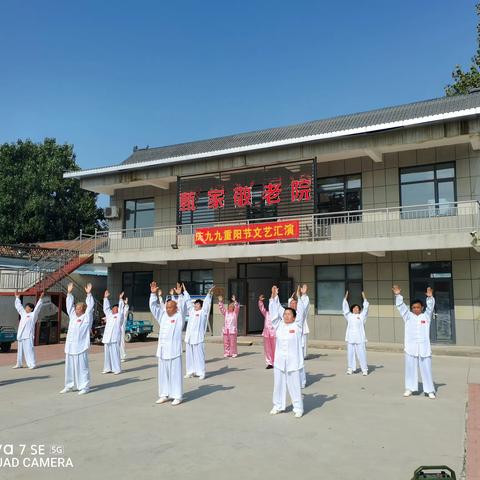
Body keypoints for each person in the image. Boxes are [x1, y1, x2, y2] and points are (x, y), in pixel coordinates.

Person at [392, 284, 436, 399]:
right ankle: (409, 388)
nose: (416, 309)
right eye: (414, 307)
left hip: (424, 348)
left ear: (422, 308)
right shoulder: (408, 316)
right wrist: (397, 295)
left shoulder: (426, 317)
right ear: (411, 308)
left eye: (418, 307)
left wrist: (430, 298)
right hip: (411, 348)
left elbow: (430, 308)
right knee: (410, 369)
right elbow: (401, 307)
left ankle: (429, 390)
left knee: (426, 369)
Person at [268, 285, 306, 418]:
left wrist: (301, 296)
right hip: (279, 361)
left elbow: (302, 310)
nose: (286, 315)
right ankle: (278, 405)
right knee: (278, 384)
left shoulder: (297, 326)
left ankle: (298, 408)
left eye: (289, 314)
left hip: (293, 362)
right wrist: (274, 297)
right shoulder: (279, 325)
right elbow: (275, 312)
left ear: (294, 317)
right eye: (285, 314)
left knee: (294, 385)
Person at [150, 281, 184, 405]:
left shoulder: (179, 317)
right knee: (163, 374)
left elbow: (183, 308)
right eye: (167, 307)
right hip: (163, 350)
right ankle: (164, 394)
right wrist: (153, 294)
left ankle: (177, 396)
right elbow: (153, 308)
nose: (168, 309)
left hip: (174, 351)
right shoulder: (163, 316)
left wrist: (180, 296)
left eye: (170, 307)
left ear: (176, 308)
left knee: (175, 374)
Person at [60, 283, 95, 395]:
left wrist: (89, 294)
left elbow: (90, 307)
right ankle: (69, 385)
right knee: (69, 368)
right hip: (70, 346)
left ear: (83, 310)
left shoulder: (86, 317)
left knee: (82, 368)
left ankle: (84, 386)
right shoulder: (73, 316)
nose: (76, 310)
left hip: (81, 347)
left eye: (79, 308)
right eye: (76, 308)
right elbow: (69, 306)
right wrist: (69, 293)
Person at [183, 284, 214, 379]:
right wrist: (185, 291)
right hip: (189, 337)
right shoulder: (192, 311)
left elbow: (207, 304)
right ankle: (190, 371)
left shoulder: (203, 313)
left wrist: (208, 293)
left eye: (197, 304)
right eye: (195, 304)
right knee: (189, 355)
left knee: (199, 355)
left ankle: (201, 372)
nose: (195, 305)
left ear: (200, 306)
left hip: (198, 338)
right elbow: (188, 302)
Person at [13, 291, 45, 369]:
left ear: (31, 309)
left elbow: (37, 308)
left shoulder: (33, 315)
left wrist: (40, 299)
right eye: (26, 307)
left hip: (28, 335)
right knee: (20, 351)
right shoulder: (23, 314)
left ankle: (32, 364)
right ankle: (19, 363)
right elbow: (19, 307)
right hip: (21, 335)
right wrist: (17, 298)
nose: (26, 308)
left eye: (27, 307)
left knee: (29, 350)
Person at [342, 290, 369, 376]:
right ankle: (350, 368)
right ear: (352, 309)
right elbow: (345, 308)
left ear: (359, 310)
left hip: (360, 338)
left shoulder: (362, 316)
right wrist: (345, 298)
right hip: (350, 338)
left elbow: (366, 308)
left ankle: (364, 369)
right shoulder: (349, 316)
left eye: (357, 308)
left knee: (362, 354)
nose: (355, 309)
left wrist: (364, 297)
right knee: (350, 354)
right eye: (354, 308)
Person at [102, 290, 125, 375]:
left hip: (115, 338)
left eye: (116, 308)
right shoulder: (109, 315)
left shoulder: (119, 316)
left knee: (115, 354)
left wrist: (120, 299)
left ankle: (117, 369)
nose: (115, 309)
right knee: (107, 354)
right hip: (107, 337)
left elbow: (122, 310)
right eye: (114, 308)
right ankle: (107, 368)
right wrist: (105, 298)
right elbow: (106, 308)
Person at [258, 294, 275, 369]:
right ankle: (269, 363)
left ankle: (276, 362)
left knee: (275, 348)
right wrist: (260, 301)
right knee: (268, 349)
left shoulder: (277, 314)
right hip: (266, 333)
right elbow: (262, 308)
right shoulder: (267, 313)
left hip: (274, 334)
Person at [120, 297, 129, 362]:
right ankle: (118, 356)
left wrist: (126, 304)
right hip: (116, 332)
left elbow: (125, 311)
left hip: (121, 330)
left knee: (122, 343)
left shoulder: (124, 318)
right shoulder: (118, 315)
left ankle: (123, 356)